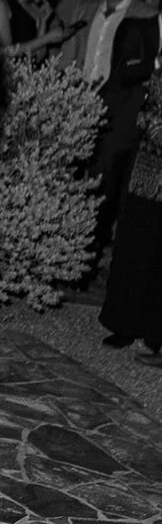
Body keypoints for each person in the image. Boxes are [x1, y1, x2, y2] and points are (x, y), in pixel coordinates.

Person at [64, 0, 161, 260]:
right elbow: (71, 52)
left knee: (103, 179)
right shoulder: (86, 7)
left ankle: (89, 251)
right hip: (79, 101)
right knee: (70, 175)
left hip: (117, 109)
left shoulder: (147, 15)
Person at [99, 63, 162, 358]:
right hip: (147, 170)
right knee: (136, 245)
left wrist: (150, 123)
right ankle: (125, 324)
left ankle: (154, 334)